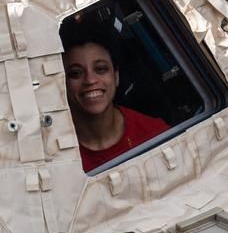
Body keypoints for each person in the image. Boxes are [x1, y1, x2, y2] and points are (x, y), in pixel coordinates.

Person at [63, 38, 168, 171]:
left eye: (100, 69)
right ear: (62, 83)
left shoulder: (155, 133)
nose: (90, 80)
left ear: (116, 76)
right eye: (75, 73)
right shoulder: (53, 156)